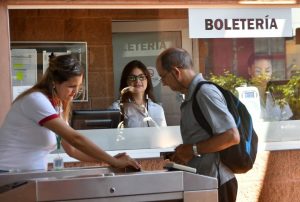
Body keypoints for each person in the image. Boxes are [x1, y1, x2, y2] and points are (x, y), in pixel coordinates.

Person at [0, 54, 141, 172]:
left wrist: (110, 159)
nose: (75, 93)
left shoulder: (56, 106)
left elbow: (72, 150)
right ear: (55, 82)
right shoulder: (36, 100)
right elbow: (75, 139)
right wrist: (113, 161)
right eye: (71, 86)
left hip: (27, 178)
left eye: (78, 87)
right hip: (9, 177)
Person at [156, 48, 240, 202]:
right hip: (204, 181)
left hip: (216, 182)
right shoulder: (193, 95)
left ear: (176, 72)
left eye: (163, 77)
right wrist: (184, 152)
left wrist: (192, 149)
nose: (164, 83)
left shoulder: (204, 92)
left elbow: (231, 136)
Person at [109, 60, 167, 128]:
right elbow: (112, 136)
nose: (137, 81)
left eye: (141, 77)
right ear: (126, 82)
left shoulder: (158, 109)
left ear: (147, 80)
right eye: (132, 78)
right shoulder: (117, 108)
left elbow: (163, 135)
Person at [247, 54, 293, 121]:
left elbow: (287, 121)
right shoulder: (244, 95)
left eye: (267, 71)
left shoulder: (278, 94)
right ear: (249, 71)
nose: (263, 75)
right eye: (258, 71)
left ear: (272, 71)